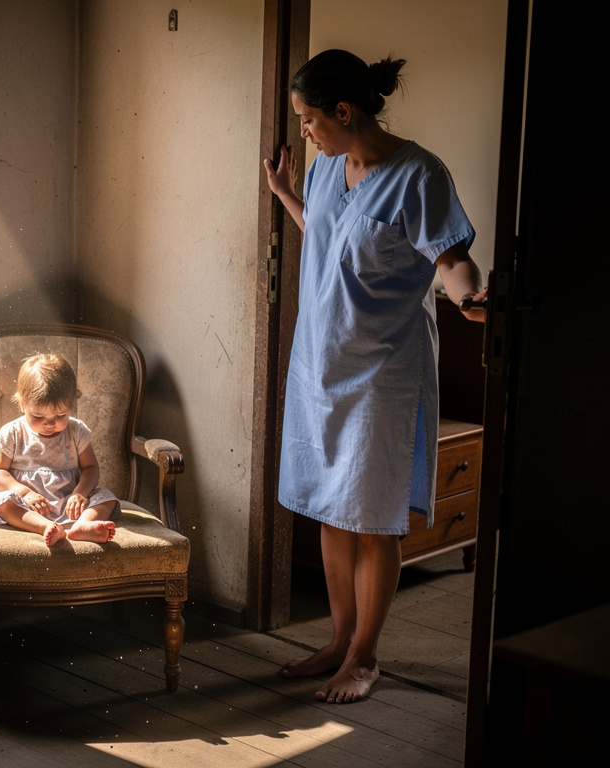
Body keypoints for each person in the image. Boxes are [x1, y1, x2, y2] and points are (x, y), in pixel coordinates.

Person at [263, 49, 487, 704]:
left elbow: (453, 263)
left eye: (309, 119)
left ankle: (364, 657)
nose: (303, 132)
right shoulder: (330, 168)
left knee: (373, 519)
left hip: (384, 372)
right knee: (333, 512)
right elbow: (329, 239)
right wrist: (287, 198)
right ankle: (337, 640)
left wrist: (473, 297)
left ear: (343, 109)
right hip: (322, 365)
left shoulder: (419, 175)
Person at [0, 352, 120, 547]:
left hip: (68, 502)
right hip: (27, 504)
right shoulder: (12, 432)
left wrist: (80, 494)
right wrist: (24, 493)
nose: (50, 424)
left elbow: (91, 468)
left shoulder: (76, 430)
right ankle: (44, 527)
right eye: (38, 416)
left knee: (106, 498)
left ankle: (83, 525)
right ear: (22, 404)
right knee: (2, 501)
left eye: (61, 415)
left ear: (71, 405)